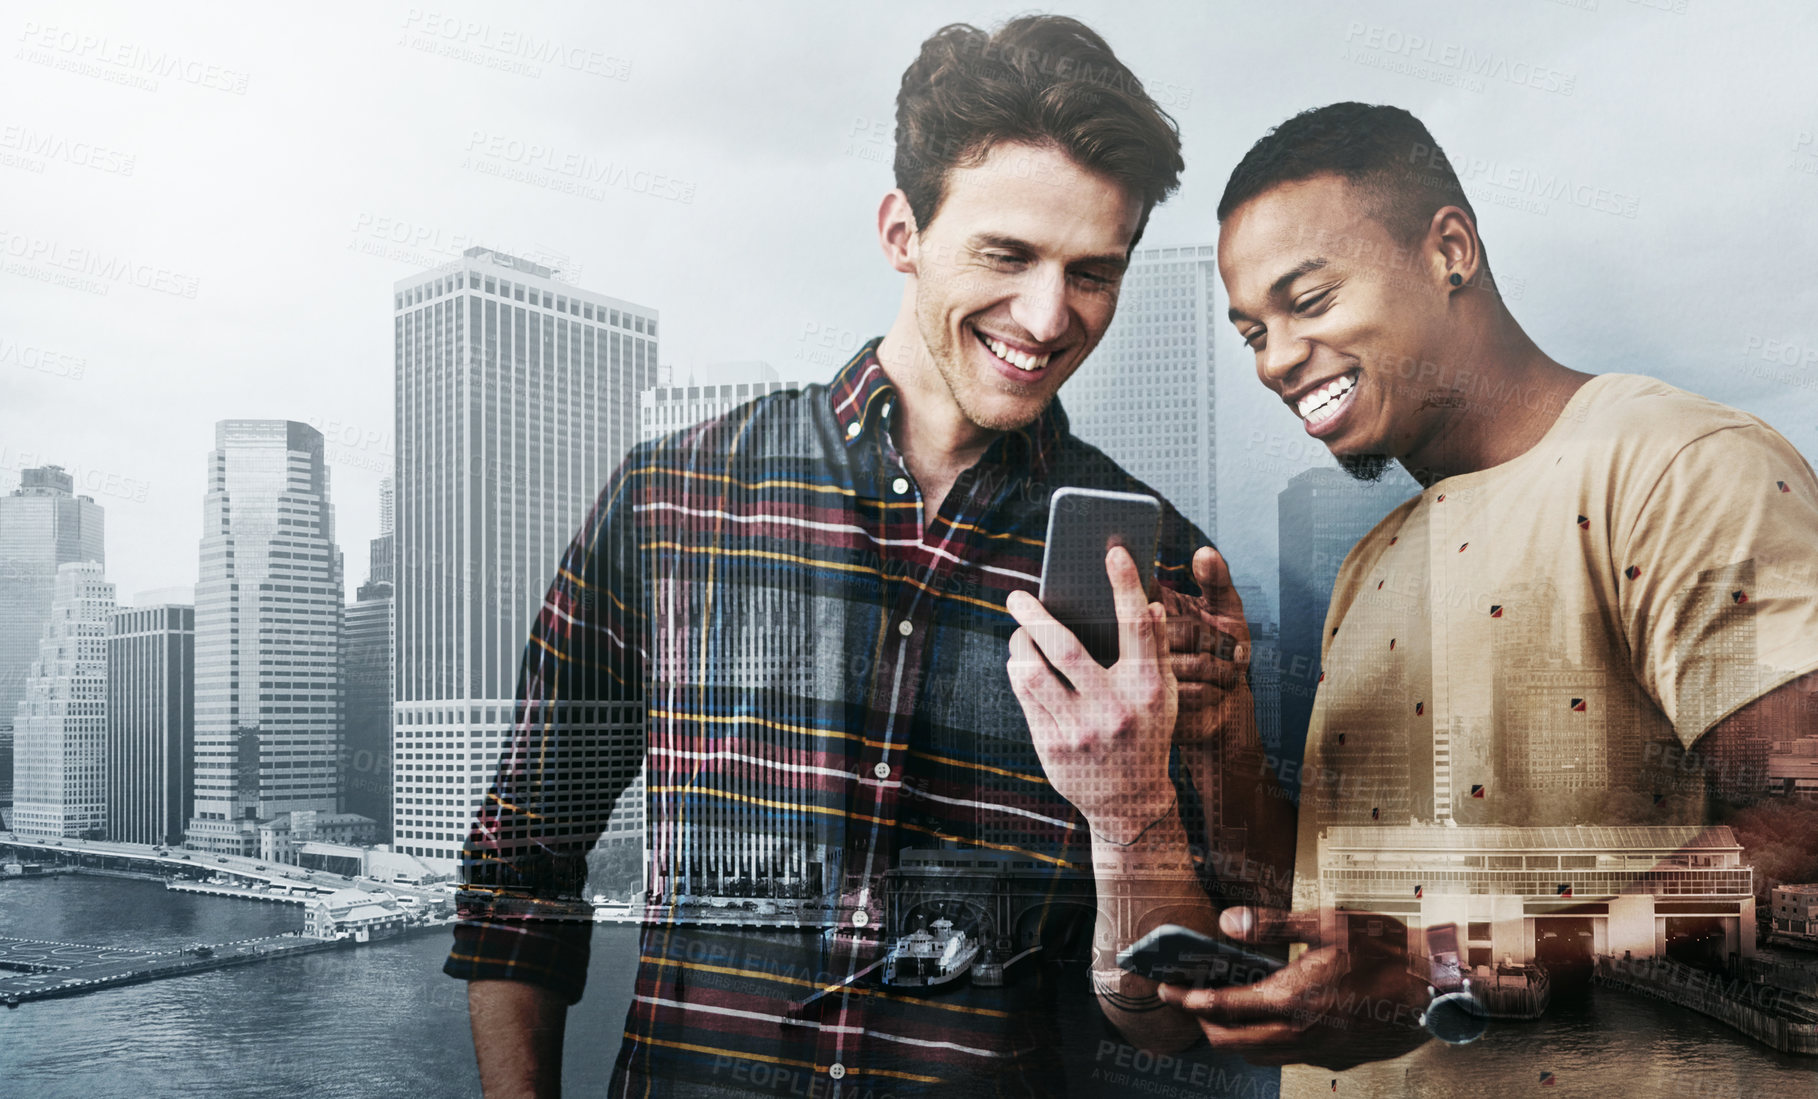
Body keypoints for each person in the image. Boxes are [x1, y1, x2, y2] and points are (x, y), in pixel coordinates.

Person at [442, 17, 1270, 1097]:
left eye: (1092, 273)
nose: (1048, 315)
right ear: (902, 231)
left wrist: (1135, 811)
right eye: (1007, 255)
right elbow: (522, 871)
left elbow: (1171, 1022)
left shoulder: (1159, 573)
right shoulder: (671, 498)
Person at [1151, 101, 1818, 1084]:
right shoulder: (1369, 561)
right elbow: (1330, 917)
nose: (1276, 360)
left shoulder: (1681, 467)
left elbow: (1799, 844)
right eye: (1253, 331)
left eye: (1310, 300)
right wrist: (1221, 743)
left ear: (1450, 249)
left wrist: (1452, 968)